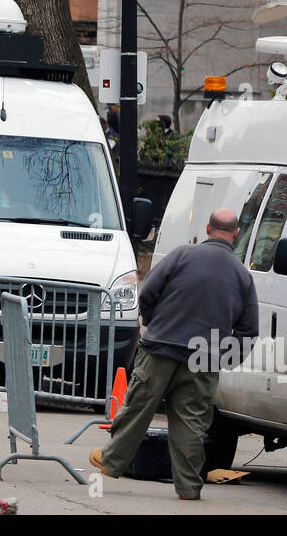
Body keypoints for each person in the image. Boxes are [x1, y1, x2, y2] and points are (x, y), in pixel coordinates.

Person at [89, 208, 258, 500]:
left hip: (161, 348)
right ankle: (189, 487)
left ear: (207, 228)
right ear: (236, 234)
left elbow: (147, 293)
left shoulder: (181, 256)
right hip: (204, 358)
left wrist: (155, 323)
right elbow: (248, 330)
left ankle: (111, 461)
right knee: (191, 422)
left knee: (139, 406)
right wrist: (225, 358)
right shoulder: (242, 275)